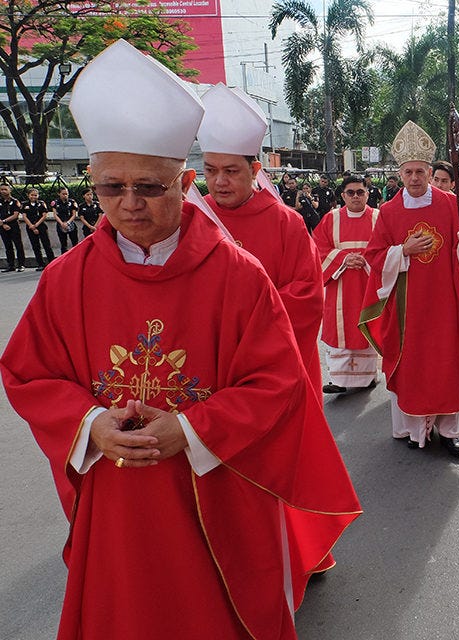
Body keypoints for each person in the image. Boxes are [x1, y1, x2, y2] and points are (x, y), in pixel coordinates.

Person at [0, 40, 360, 640]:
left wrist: (191, 429)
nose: (130, 204)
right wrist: (90, 425)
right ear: (91, 180)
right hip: (116, 500)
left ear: (181, 180)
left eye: (150, 186)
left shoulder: (237, 276)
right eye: (112, 188)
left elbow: (279, 381)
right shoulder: (68, 280)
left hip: (216, 493)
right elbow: (28, 374)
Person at [359, 120, 459, 457]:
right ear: (400, 173)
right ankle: (414, 431)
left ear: (430, 171)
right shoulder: (388, 212)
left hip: (444, 303)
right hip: (407, 309)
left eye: (420, 171)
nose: (414, 178)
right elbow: (374, 255)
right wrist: (402, 252)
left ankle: (451, 431)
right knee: (413, 367)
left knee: (447, 365)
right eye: (408, 172)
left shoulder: (451, 204)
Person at [197, 82, 325, 394]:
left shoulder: (286, 223)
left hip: (272, 363)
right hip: (206, 356)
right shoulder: (194, 217)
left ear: (255, 169)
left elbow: (307, 296)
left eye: (231, 171)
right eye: (210, 171)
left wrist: (241, 322)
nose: (219, 181)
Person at [313, 174, 379, 393]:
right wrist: (343, 258)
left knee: (368, 326)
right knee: (340, 328)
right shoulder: (331, 219)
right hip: (340, 283)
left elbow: (388, 249)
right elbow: (317, 249)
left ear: (367, 194)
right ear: (342, 195)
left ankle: (368, 377)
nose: (356, 197)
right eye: (350, 193)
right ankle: (339, 380)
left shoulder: (379, 218)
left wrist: (366, 260)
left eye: (360, 192)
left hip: (369, 285)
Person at [21, 187, 56, 271]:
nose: (34, 197)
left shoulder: (41, 203)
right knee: (35, 246)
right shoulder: (25, 204)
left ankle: (52, 262)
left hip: (41, 226)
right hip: (30, 227)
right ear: (28, 195)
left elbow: (44, 215)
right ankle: (40, 264)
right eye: (32, 195)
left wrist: (36, 225)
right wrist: (31, 226)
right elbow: (24, 216)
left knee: (46, 245)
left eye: (35, 195)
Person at [0, 182, 25, 271]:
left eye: (5, 189)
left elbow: (15, 215)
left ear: (10, 190)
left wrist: (4, 221)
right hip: (2, 227)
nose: (3, 191)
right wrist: (3, 224)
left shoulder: (15, 201)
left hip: (13, 226)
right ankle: (11, 265)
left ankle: (21, 265)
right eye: (1, 189)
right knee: (8, 246)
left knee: (18, 245)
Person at [51, 187, 79, 253]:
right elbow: (55, 214)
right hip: (60, 224)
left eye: (66, 194)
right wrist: (62, 223)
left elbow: (74, 214)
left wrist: (68, 223)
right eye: (63, 194)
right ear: (59, 194)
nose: (65, 195)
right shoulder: (55, 203)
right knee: (63, 244)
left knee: (75, 242)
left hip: (70, 223)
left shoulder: (72, 202)